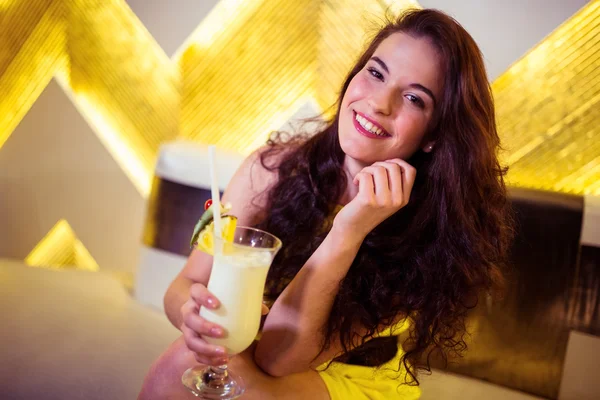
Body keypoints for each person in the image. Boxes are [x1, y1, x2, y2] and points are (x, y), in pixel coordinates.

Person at [138, 8, 513, 400]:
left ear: (434, 134)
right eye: (375, 72)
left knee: (238, 388)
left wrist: (349, 230)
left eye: (414, 98)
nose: (379, 103)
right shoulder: (271, 170)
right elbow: (184, 285)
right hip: (252, 346)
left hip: (348, 378)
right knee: (180, 367)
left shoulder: (429, 235)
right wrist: (191, 316)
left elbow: (277, 359)